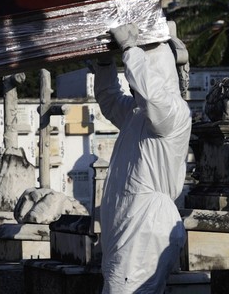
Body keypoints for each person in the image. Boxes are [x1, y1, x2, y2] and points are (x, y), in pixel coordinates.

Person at [93, 24, 191, 293]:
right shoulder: (136, 114)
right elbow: (109, 99)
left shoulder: (172, 112)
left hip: (145, 227)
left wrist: (130, 49)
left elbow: (153, 97)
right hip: (130, 224)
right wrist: (104, 61)